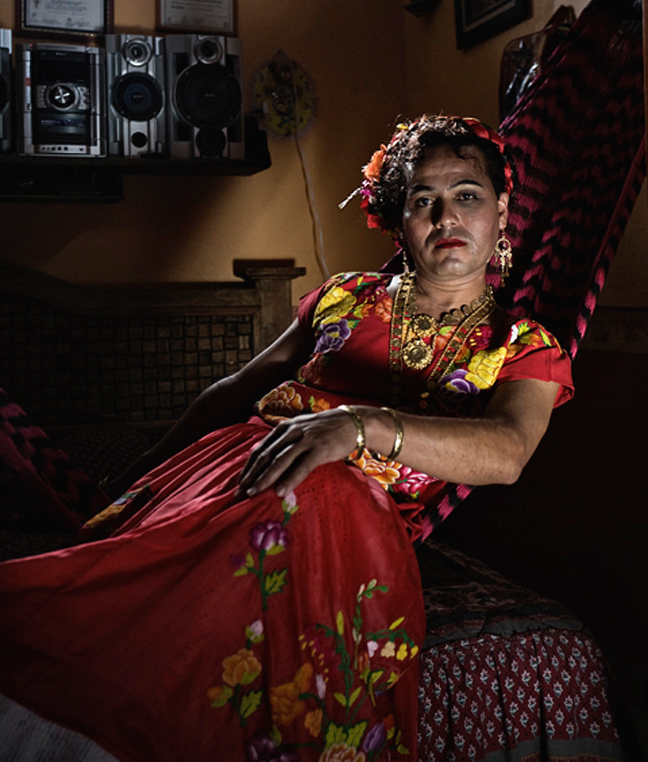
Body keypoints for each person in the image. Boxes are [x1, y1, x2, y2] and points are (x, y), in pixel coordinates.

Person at [0, 114, 573, 762]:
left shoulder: (524, 347)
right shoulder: (343, 298)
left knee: (330, 491)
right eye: (423, 200)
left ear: (502, 212)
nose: (447, 217)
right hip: (242, 466)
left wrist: (358, 427)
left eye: (467, 195)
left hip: (359, 519)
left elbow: (507, 451)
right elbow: (236, 389)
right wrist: (140, 472)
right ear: (398, 220)